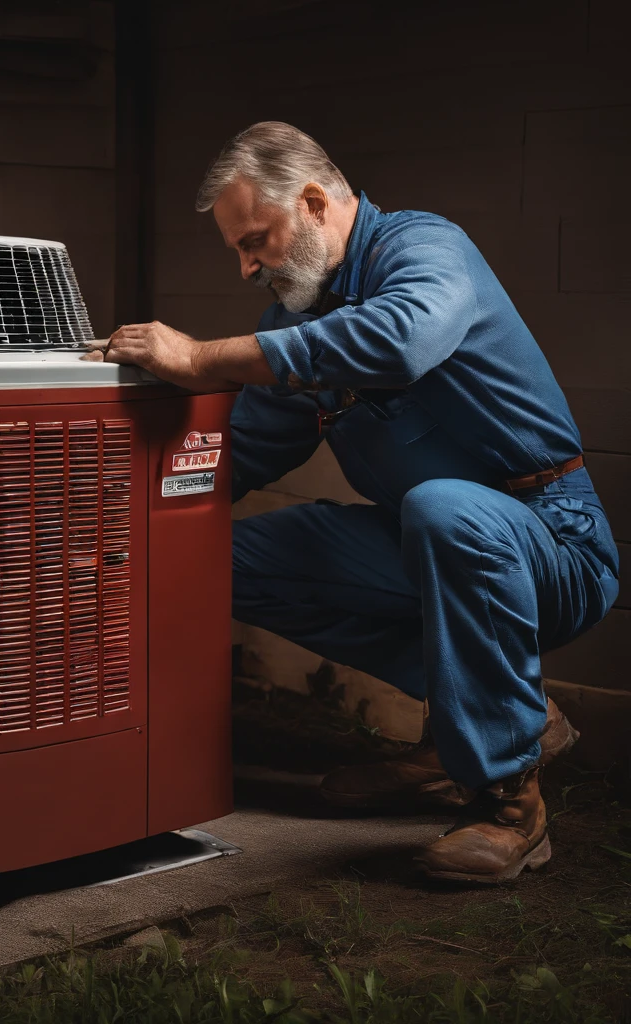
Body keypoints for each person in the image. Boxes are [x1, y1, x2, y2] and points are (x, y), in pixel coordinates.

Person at [95, 121, 620, 884]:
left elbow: (400, 341)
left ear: (312, 202)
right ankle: (492, 727)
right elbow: (239, 455)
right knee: (224, 564)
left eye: (256, 240)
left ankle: (511, 806)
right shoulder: (296, 314)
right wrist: (114, 529)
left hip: (551, 540)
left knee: (445, 508)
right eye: (238, 249)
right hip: (423, 540)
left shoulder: (424, 250)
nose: (247, 267)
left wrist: (202, 356)